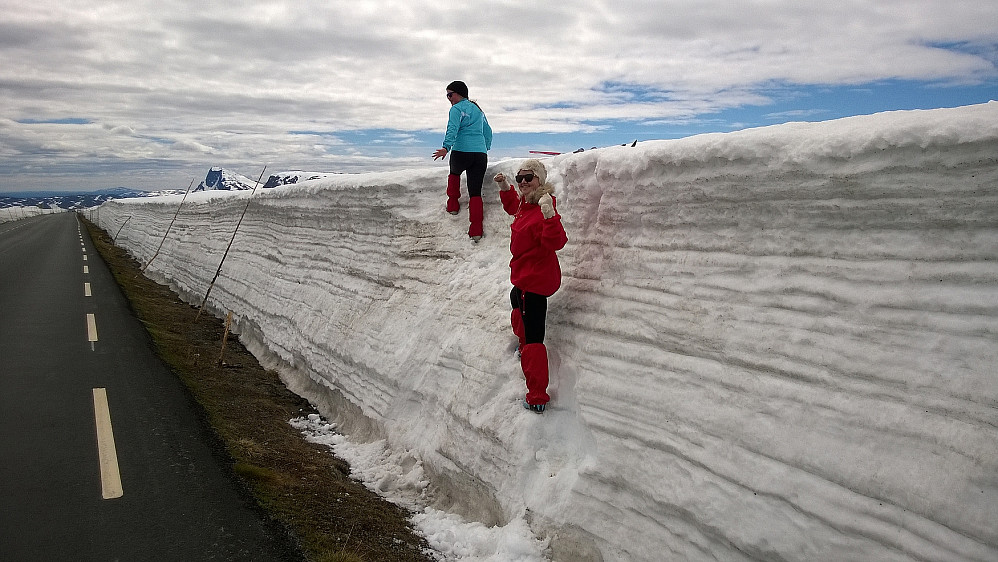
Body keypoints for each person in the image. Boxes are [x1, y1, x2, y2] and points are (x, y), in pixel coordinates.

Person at [493, 159, 568, 413]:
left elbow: (556, 242)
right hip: (524, 277)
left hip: (535, 280)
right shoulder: (526, 204)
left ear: (540, 179)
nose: (523, 182)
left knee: (535, 334)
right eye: (520, 178)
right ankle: (523, 345)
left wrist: (550, 216)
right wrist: (505, 187)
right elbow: (513, 206)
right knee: (516, 300)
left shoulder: (543, 206)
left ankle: (537, 396)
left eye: (529, 178)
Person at [432, 81, 493, 241]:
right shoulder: (479, 111)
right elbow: (488, 131)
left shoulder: (456, 109)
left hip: (461, 151)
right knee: (475, 192)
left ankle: (452, 204)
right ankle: (476, 230)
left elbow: (452, 128)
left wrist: (446, 147)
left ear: (459, 93)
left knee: (454, 174)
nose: (449, 99)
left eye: (450, 95)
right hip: (480, 155)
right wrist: (484, 147)